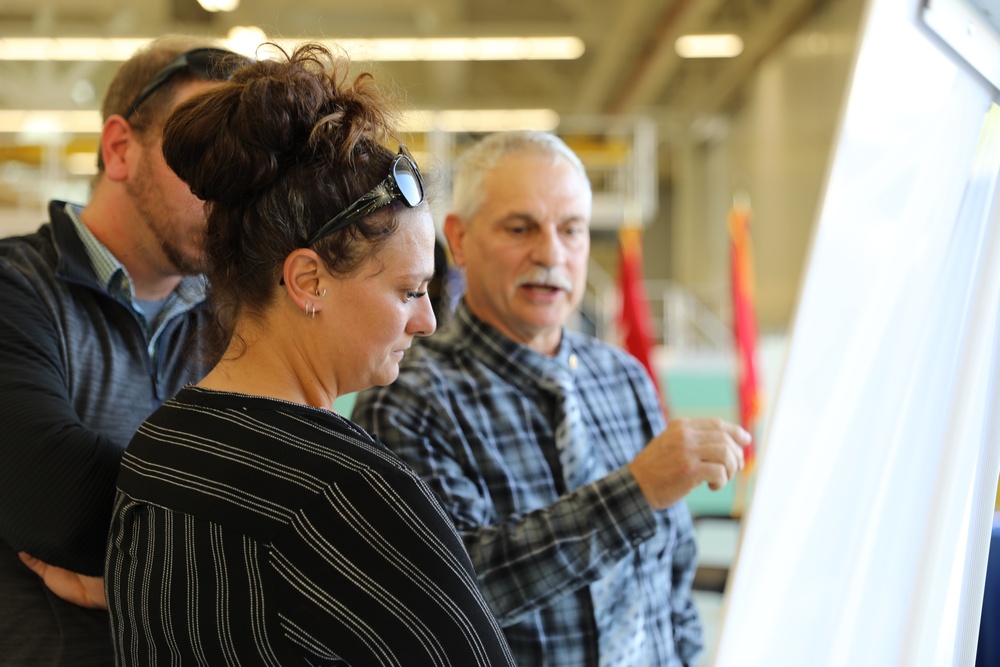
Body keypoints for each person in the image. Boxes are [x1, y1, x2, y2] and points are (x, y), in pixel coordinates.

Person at [104, 44, 516, 666]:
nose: (428, 320)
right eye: (409, 290)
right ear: (308, 281)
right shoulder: (352, 492)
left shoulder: (160, 449)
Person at [353, 130, 750, 666]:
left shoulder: (625, 379)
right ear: (461, 239)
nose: (551, 254)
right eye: (521, 228)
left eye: (572, 230)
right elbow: (455, 597)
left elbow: (672, 576)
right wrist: (636, 492)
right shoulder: (412, 397)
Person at [0, 36, 250, 665]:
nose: (231, 194)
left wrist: (146, 579)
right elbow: (51, 492)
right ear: (119, 148)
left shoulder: (237, 315)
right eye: (204, 157)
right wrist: (250, 552)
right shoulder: (15, 289)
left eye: (246, 171)